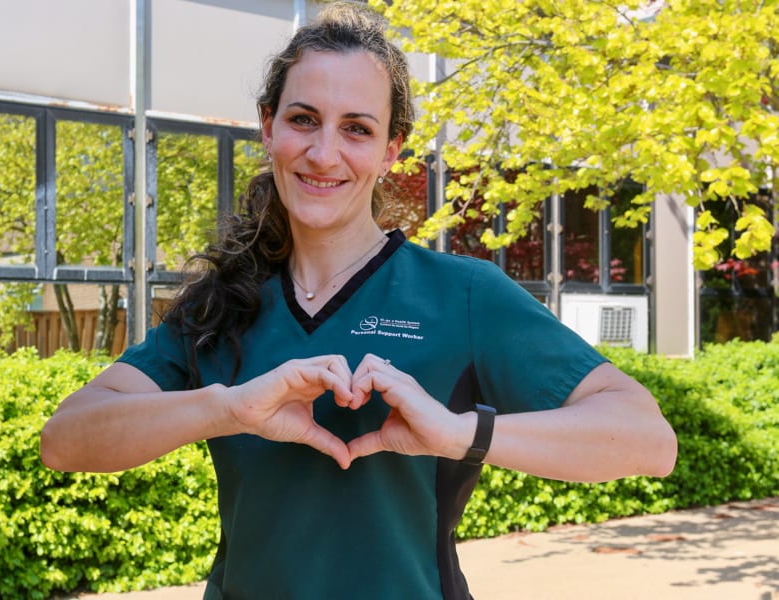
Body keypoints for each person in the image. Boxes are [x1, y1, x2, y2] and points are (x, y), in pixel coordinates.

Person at [40, 3, 677, 598]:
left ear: (390, 149)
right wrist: (227, 409)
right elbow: (66, 441)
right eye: (303, 119)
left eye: (356, 129)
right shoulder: (222, 303)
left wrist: (459, 434)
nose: (324, 153)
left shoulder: (464, 294)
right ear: (268, 127)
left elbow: (648, 440)